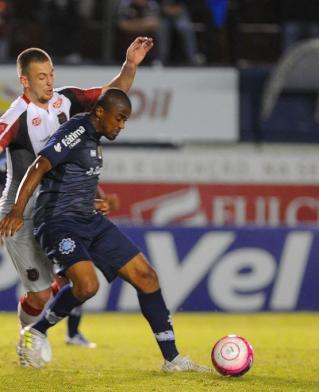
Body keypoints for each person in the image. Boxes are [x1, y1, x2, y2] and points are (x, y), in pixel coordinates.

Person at [0, 88, 211, 373]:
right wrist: (16, 209)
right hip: (58, 221)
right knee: (87, 286)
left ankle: (172, 359)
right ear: (100, 112)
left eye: (125, 120)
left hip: (88, 220)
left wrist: (94, 200)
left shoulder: (93, 138)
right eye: (119, 118)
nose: (121, 126)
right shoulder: (76, 130)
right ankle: (36, 332)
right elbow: (39, 165)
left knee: (147, 277)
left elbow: (72, 177)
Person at [0, 37, 154, 366]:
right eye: (41, 76)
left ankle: (39, 335)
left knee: (76, 278)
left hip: (58, 207)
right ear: (24, 80)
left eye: (51, 73)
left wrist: (130, 65)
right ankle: (28, 340)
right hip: (20, 212)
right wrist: (11, 206)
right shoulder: (15, 116)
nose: (49, 81)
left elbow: (111, 96)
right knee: (40, 295)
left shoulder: (66, 101)